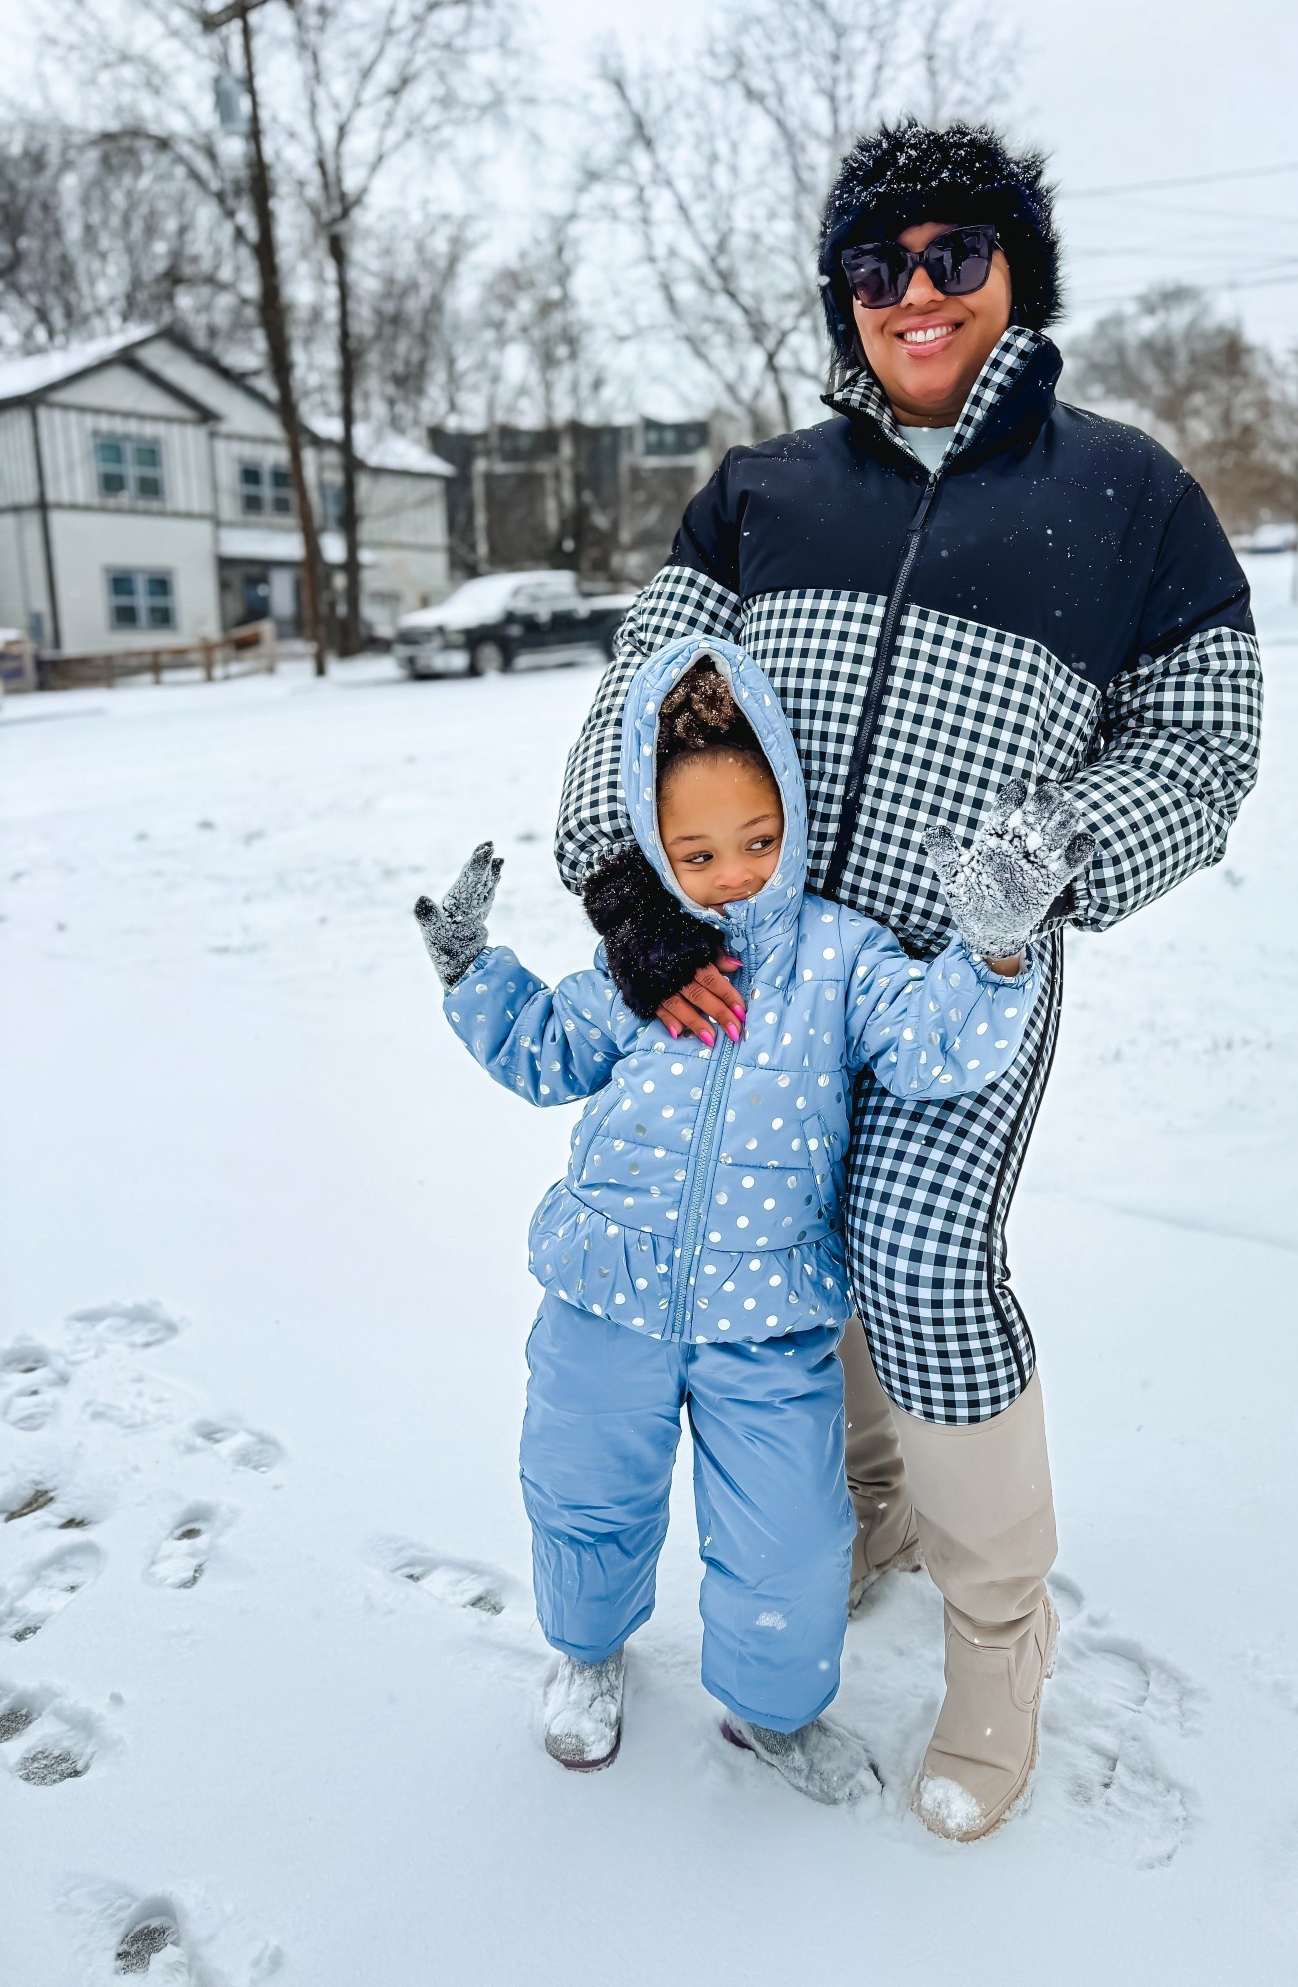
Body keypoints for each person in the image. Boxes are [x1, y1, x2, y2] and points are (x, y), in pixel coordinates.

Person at [554, 120, 1264, 1841]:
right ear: (843, 298)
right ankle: (869, 1501)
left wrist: (1044, 858)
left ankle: (997, 1638)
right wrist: (626, 894)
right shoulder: (762, 489)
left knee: (922, 1254)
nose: (918, 290)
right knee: (775, 1236)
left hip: (959, 975)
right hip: (760, 972)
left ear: (1017, 272)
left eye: (957, 253)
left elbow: (1208, 738)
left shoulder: (1127, 493)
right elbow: (639, 686)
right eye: (879, 265)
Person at [413, 636, 1050, 1804]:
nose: (735, 872)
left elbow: (932, 1047)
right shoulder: (644, 962)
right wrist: (473, 972)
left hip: (768, 1315)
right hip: (605, 1288)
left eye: (760, 839)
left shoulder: (842, 957)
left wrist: (996, 949)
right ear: (655, 844)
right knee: (583, 1487)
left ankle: (775, 1707)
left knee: (792, 1537)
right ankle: (587, 1649)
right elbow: (548, 1054)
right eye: (698, 851)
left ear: (795, 816)